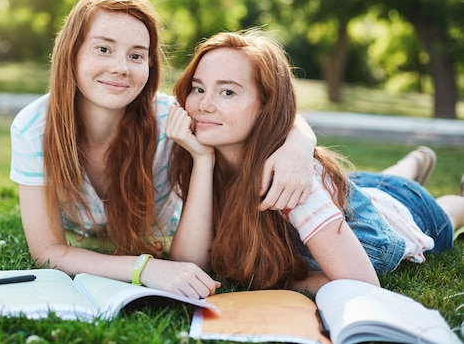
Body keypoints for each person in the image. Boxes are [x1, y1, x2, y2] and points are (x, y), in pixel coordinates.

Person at [9, 0, 318, 298]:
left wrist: (300, 144)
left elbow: (261, 111)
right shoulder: (33, 129)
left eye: (136, 55)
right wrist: (146, 269)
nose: (120, 68)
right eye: (103, 49)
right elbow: (47, 252)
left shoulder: (170, 119)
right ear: (71, 52)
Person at [166, 29, 464, 295]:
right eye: (198, 88)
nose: (204, 105)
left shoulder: (289, 180)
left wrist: (280, 280)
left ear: (266, 106)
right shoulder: (207, 155)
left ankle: (419, 178)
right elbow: (188, 263)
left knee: (448, 212)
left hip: (405, 212)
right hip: (356, 194)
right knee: (367, 186)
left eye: (227, 91)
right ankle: (411, 164)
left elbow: (361, 285)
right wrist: (202, 161)